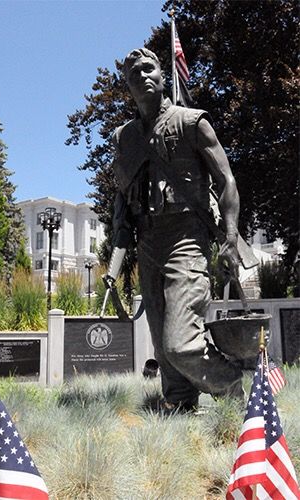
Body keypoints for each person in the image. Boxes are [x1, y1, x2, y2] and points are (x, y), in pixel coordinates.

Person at [111, 48, 244, 412]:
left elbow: (227, 180)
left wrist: (230, 238)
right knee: (161, 343)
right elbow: (123, 192)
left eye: (149, 68)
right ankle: (181, 406)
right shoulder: (125, 137)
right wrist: (119, 239)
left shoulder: (191, 121)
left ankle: (232, 383)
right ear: (127, 85)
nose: (143, 76)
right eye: (134, 73)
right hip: (147, 241)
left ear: (163, 74)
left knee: (180, 343)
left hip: (187, 238)